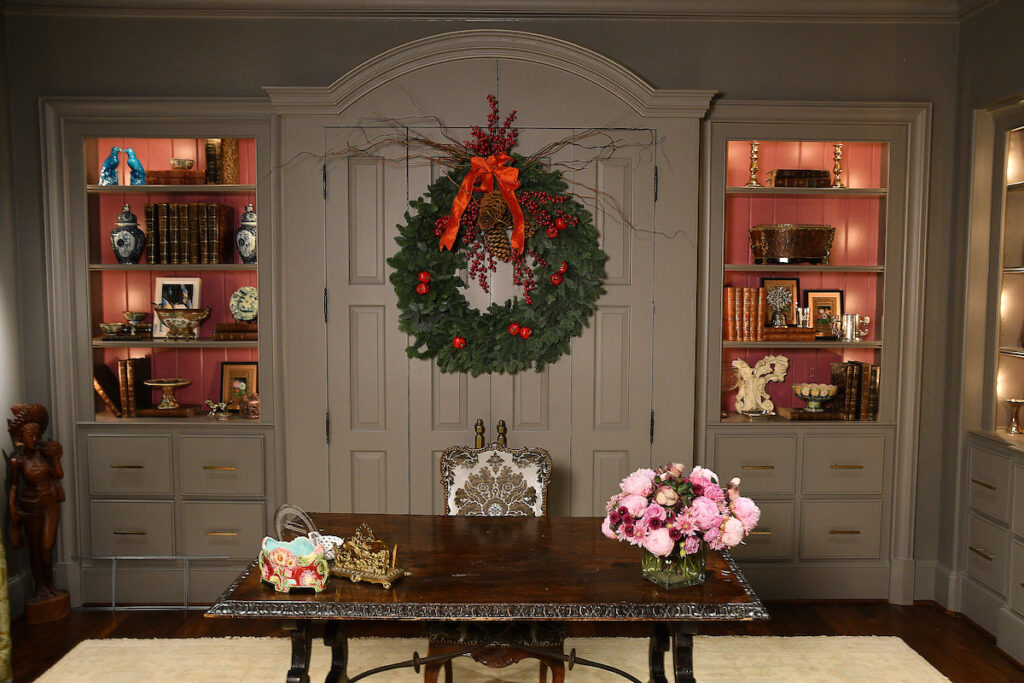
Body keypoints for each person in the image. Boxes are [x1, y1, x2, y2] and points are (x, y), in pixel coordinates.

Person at [6, 403, 65, 600]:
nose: (35, 438)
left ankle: (50, 586)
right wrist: (12, 509)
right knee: (35, 549)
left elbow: (58, 474)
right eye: (30, 435)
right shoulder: (17, 462)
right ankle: (40, 587)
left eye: (36, 434)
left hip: (50, 503)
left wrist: (55, 457)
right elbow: (14, 486)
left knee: (47, 548)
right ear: (21, 437)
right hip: (30, 507)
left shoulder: (44, 454)